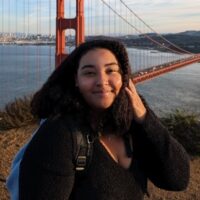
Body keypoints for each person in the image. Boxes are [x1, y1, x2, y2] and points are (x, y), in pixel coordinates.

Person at [7, 39, 189, 200]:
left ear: (124, 78)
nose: (102, 81)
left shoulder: (132, 123)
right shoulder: (60, 134)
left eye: (111, 70)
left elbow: (177, 180)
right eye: (89, 73)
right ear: (75, 80)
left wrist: (144, 117)